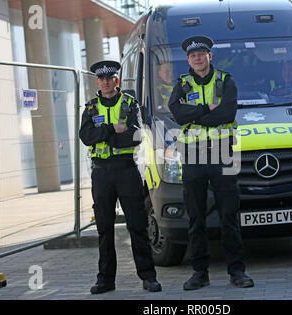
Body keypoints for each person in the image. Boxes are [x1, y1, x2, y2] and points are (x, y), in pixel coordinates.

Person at [168, 35, 254, 290]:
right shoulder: (182, 85)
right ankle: (199, 273)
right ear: (188, 60)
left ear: (209, 56)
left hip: (221, 152)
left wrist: (194, 114)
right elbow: (177, 114)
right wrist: (207, 109)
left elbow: (227, 113)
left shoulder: (225, 81)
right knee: (195, 217)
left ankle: (237, 272)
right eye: (193, 56)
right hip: (192, 153)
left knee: (229, 214)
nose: (197, 58)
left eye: (202, 54)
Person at [80, 60, 161, 294]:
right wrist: (111, 130)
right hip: (102, 172)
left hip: (126, 170)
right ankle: (105, 280)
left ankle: (148, 277)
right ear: (97, 82)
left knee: (137, 225)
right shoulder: (91, 108)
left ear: (117, 80)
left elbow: (135, 136)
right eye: (101, 79)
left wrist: (103, 136)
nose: (106, 82)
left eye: (110, 78)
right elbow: (85, 136)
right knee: (104, 228)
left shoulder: (129, 104)